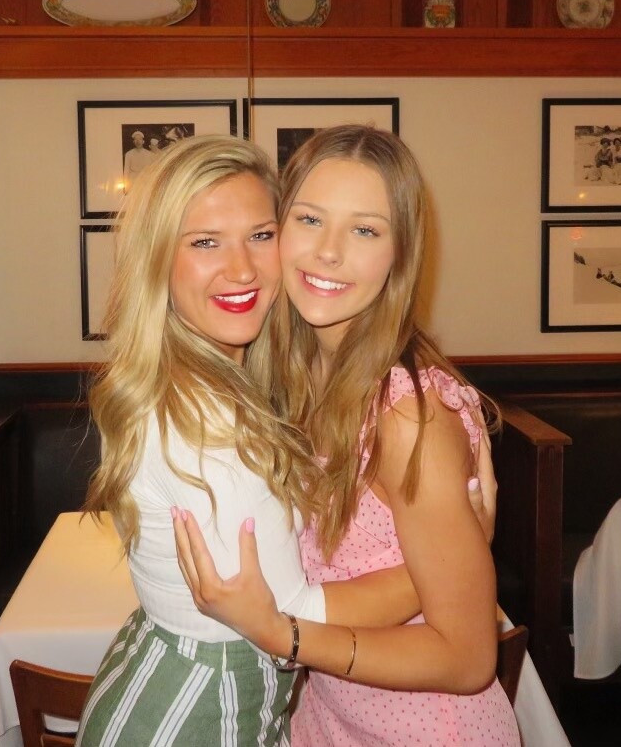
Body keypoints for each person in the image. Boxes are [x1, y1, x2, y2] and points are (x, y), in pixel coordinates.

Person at [174, 126, 520, 746]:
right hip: (330, 716)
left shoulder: (406, 415)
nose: (328, 252)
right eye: (309, 219)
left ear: (399, 255)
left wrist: (284, 635)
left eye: (365, 230)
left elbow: (469, 659)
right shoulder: (298, 377)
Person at [77, 136, 418, 747]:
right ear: (159, 259)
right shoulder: (201, 422)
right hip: (190, 718)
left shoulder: (226, 381)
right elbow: (287, 615)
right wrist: (446, 566)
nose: (241, 269)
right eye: (205, 242)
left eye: (260, 235)